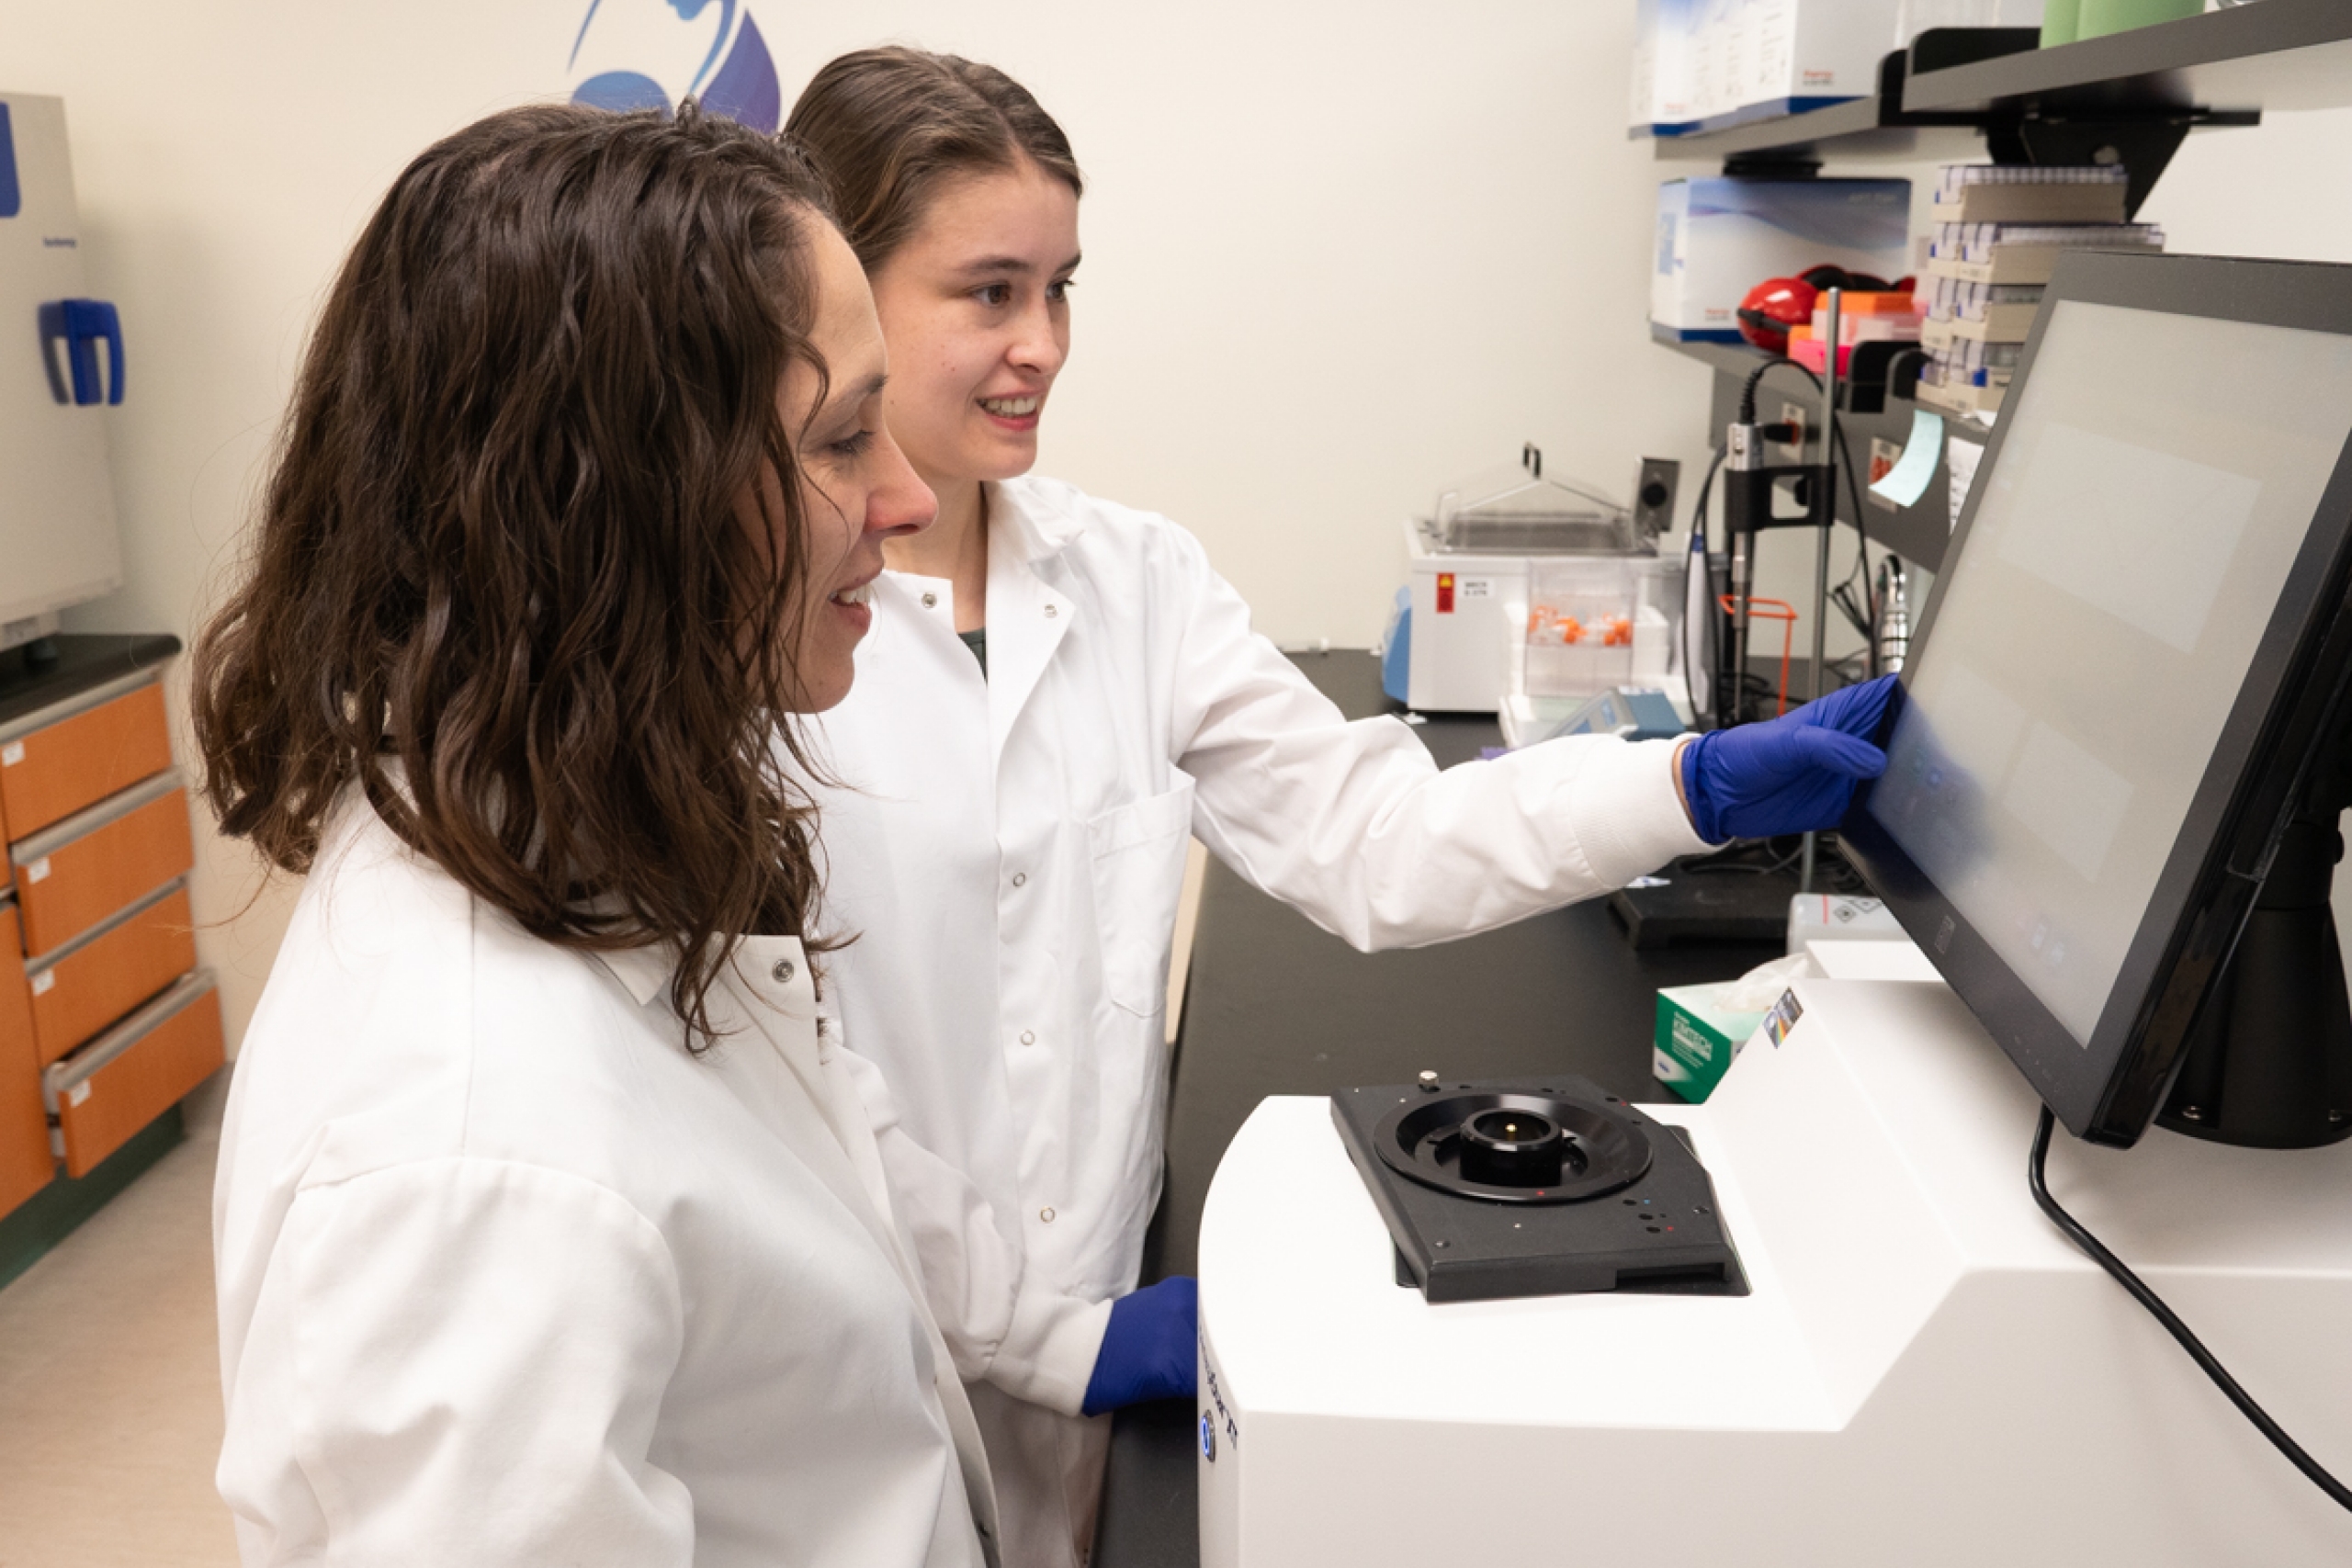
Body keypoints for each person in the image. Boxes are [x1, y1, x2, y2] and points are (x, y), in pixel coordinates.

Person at [785, 48, 1894, 1568]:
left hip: (1109, 1352)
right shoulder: (750, 645)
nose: (1041, 343)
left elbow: (1378, 843)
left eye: (1062, 289)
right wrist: (1044, 1338)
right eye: (988, 292)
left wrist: (1682, 788)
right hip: (869, 1380)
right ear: (835, 300)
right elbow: (802, 1078)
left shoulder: (1133, 580)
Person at [198, 102, 993, 1566]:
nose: (907, 497)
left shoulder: (590, 838)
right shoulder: (469, 1154)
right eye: (836, 441)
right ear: (609, 504)